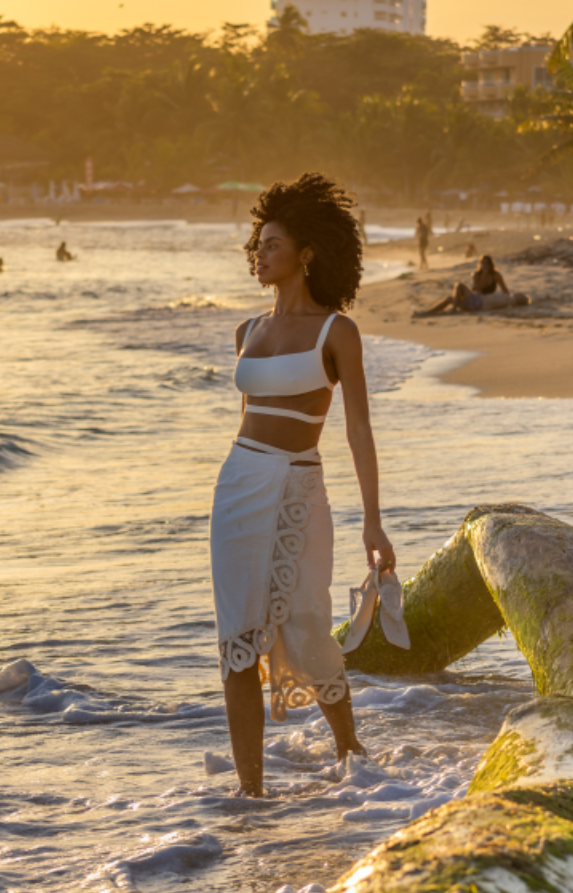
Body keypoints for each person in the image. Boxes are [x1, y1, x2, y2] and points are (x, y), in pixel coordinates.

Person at [210, 173, 396, 797]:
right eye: (257, 244)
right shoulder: (247, 332)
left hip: (298, 485)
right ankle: (250, 795)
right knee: (237, 635)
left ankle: (351, 751)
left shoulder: (336, 332)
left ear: (307, 252)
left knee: (307, 622)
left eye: (272, 244)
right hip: (238, 485)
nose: (258, 254)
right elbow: (247, 422)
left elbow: (359, 432)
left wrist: (373, 521)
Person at [413, 254, 521, 317]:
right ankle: (427, 312)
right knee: (449, 298)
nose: (485, 265)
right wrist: (484, 275)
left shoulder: (496, 275)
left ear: (491, 264)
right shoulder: (477, 274)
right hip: (474, 297)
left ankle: (453, 310)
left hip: (483, 301)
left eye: (487, 263)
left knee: (458, 286)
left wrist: (510, 300)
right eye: (483, 263)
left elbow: (505, 291)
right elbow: (477, 288)